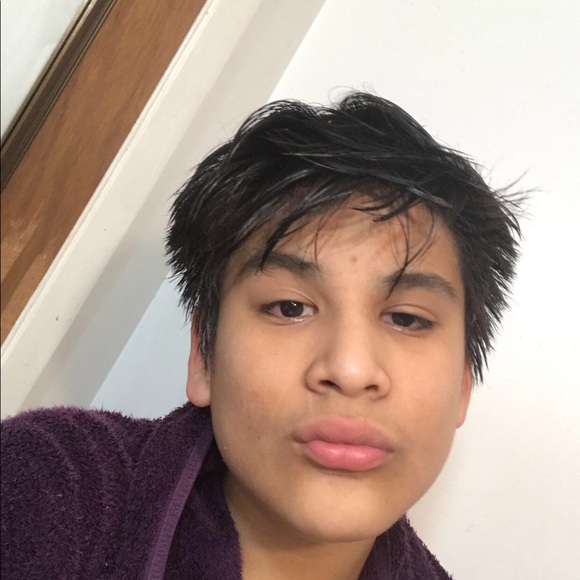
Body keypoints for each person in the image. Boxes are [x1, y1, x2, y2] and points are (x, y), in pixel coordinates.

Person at [1, 92, 522, 579]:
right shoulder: (50, 485)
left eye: (406, 319)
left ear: (463, 383)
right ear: (203, 354)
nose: (351, 370)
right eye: (289, 307)